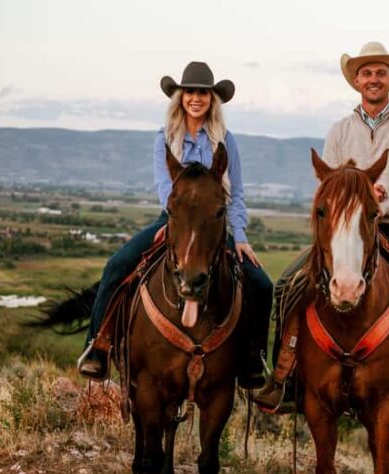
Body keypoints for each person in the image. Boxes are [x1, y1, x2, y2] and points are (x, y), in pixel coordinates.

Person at [252, 42, 389, 427]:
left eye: (380, 72)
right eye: (366, 73)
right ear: (356, 80)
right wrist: (352, 205)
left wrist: (385, 205)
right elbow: (331, 185)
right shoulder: (339, 130)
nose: (373, 79)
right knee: (286, 285)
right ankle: (284, 379)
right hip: (345, 234)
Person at [78, 61, 272, 389]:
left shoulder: (226, 139)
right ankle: (97, 346)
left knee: (262, 285)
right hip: (173, 221)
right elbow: (165, 189)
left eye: (203, 93)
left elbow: (235, 192)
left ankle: (253, 359)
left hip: (212, 227)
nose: (196, 98)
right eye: (190, 92)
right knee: (116, 266)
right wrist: (175, 224)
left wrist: (239, 236)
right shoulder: (165, 137)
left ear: (212, 99)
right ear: (180, 97)